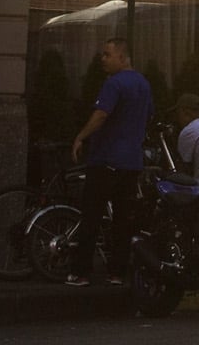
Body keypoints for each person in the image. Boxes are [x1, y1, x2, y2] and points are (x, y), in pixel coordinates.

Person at [66, 37, 153, 286]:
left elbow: (101, 114)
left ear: (122, 57)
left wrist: (81, 137)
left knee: (92, 214)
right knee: (123, 219)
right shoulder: (144, 84)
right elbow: (148, 115)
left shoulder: (113, 84)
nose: (102, 59)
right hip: (131, 161)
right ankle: (118, 272)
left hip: (106, 158)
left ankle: (81, 272)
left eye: (107, 55)